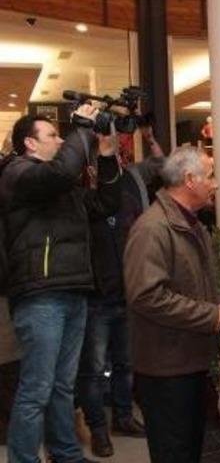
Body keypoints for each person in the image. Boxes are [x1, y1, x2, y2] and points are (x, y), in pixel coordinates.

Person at [0, 111, 121, 463]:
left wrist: (108, 153)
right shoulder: (17, 173)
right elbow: (61, 172)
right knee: (37, 388)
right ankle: (24, 457)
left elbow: (107, 204)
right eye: (52, 135)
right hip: (40, 294)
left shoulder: (63, 185)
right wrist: (81, 128)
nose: (59, 140)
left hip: (73, 291)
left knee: (62, 386)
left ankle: (66, 453)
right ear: (30, 143)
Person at [124, 146, 220, 463]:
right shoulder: (153, 228)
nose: (215, 184)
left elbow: (192, 283)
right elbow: (146, 295)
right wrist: (208, 315)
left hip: (189, 361)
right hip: (166, 369)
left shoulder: (190, 223)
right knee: (174, 452)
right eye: (210, 176)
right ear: (189, 180)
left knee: (189, 449)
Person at [78, 131, 165, 457]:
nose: (118, 155)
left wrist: (151, 138)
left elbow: (159, 164)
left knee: (126, 362)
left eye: (119, 151)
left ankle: (124, 417)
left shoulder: (131, 178)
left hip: (128, 289)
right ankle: (98, 428)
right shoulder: (83, 188)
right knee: (94, 369)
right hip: (96, 294)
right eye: (110, 151)